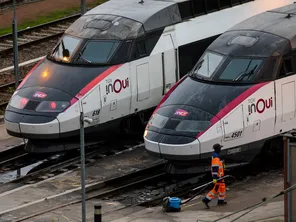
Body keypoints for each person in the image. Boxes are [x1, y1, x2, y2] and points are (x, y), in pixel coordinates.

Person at [202, 143, 227, 209]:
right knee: (216, 189)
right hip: (218, 176)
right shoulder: (216, 157)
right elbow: (215, 167)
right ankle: (206, 200)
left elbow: (219, 164)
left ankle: (221, 201)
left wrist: (223, 164)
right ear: (218, 149)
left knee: (222, 188)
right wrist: (215, 178)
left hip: (221, 175)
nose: (221, 149)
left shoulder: (217, 156)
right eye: (220, 148)